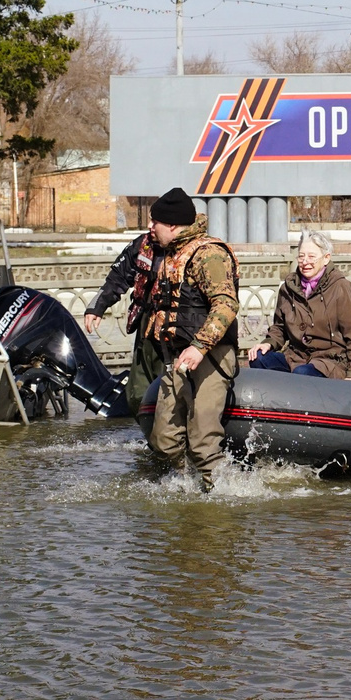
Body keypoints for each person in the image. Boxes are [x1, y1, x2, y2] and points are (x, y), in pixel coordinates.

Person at [139, 187, 240, 492]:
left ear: (171, 224)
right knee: (163, 440)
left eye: (153, 221)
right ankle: (188, 490)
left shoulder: (209, 254)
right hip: (176, 357)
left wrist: (199, 347)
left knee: (203, 441)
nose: (149, 227)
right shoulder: (169, 252)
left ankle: (222, 503)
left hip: (209, 355)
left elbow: (226, 304)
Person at [249, 231, 351, 379]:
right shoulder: (288, 288)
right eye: (301, 256)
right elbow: (279, 329)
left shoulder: (340, 287)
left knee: (303, 374)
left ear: (326, 259)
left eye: (311, 256)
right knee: (259, 358)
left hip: (329, 361)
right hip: (296, 358)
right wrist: (268, 343)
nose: (305, 262)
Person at [82, 220, 163, 408]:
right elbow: (117, 277)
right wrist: (97, 306)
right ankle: (152, 434)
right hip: (145, 323)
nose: (150, 225)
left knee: (167, 393)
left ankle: (170, 435)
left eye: (156, 221)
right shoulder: (143, 244)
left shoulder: (194, 250)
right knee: (137, 394)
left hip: (176, 331)